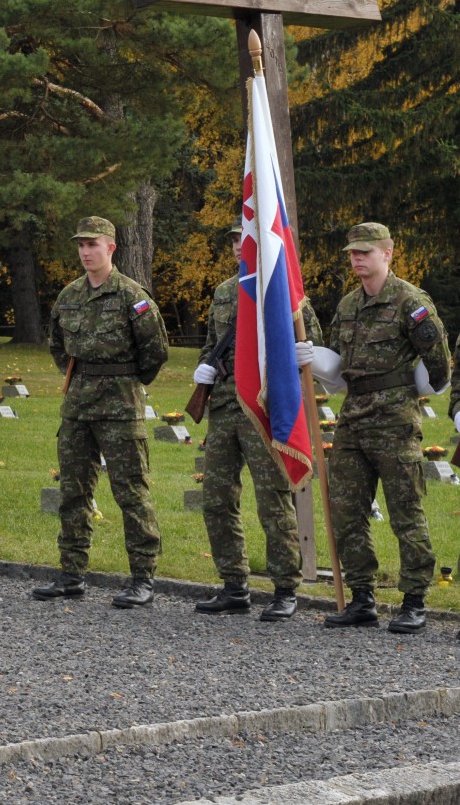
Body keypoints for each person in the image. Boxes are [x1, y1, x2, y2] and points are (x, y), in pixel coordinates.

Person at [33, 216, 168, 608]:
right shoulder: (69, 295)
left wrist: (123, 379)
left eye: (92, 244)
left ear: (111, 247)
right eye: (80, 245)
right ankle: (71, 574)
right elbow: (57, 344)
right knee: (73, 492)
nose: (85, 252)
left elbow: (155, 351)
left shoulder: (131, 296)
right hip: (78, 405)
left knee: (131, 493)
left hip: (120, 406)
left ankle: (142, 578)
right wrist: (83, 376)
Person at [324, 222, 448, 634]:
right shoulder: (348, 305)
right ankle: (362, 599)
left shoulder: (410, 302)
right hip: (352, 420)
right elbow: (337, 361)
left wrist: (410, 391)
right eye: (353, 253)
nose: (357, 259)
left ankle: (414, 601)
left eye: (365, 252)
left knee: (405, 512)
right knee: (347, 512)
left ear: (388, 253)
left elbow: (439, 365)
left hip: (394, 422)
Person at [192, 222, 320, 622]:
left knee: (272, 500)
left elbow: (310, 341)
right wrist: (204, 366)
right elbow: (212, 342)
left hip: (265, 406)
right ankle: (234, 585)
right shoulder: (224, 292)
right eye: (234, 240)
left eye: (243, 238)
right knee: (216, 498)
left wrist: (306, 353)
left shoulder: (284, 290)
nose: (238, 245)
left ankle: (285, 588)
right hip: (225, 406)